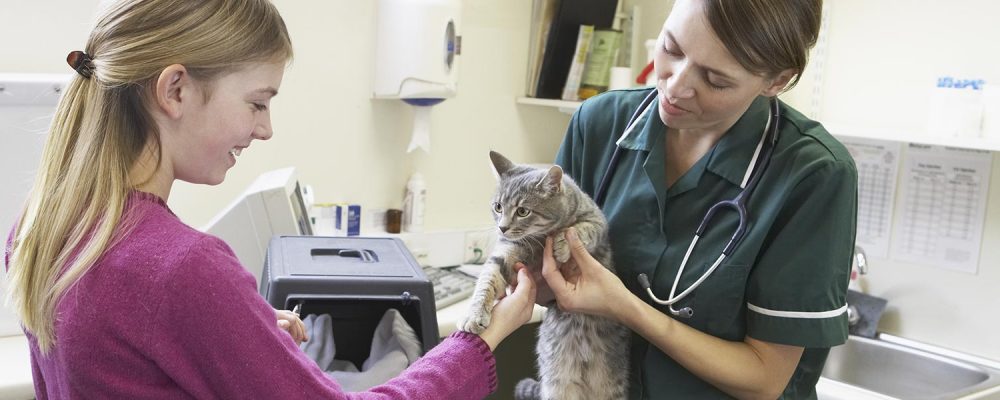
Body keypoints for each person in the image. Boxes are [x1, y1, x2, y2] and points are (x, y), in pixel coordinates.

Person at [3, 0, 536, 398]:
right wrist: (481, 338)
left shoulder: (43, 227)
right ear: (175, 90)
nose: (265, 129)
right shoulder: (182, 269)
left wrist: (236, 332)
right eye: (257, 103)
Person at [531, 0, 857, 398]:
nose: (675, 86)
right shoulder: (599, 124)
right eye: (671, 48)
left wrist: (625, 306)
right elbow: (552, 280)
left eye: (715, 80)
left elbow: (765, 379)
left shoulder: (813, 174)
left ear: (776, 81)